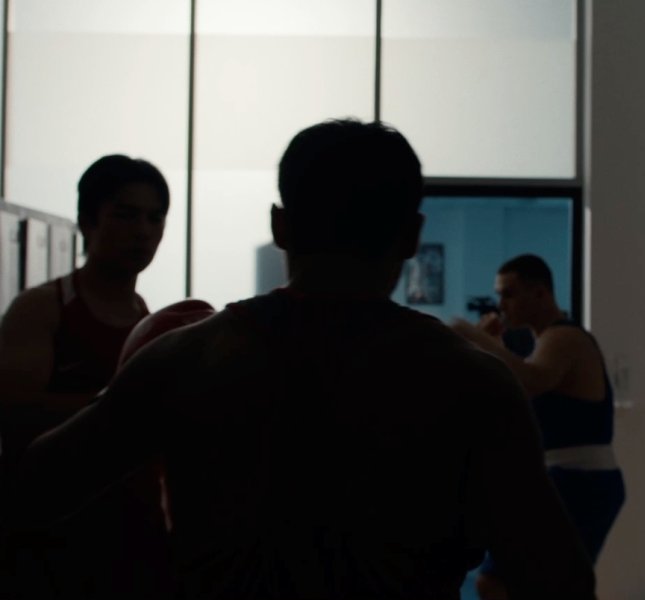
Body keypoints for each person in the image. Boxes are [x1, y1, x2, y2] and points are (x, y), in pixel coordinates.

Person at [5, 120, 597, 599]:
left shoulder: (187, 358)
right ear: (412, 237)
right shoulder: (474, 383)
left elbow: (35, 487)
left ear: (280, 226)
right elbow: (558, 579)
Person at [0, 154, 174, 599]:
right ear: (87, 221)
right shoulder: (42, 308)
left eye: (155, 218)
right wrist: (129, 408)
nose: (143, 231)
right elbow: (15, 417)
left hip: (134, 538)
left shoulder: (148, 321)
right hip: (52, 541)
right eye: (126, 215)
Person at [451, 254, 625, 600]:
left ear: (540, 294)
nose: (501, 305)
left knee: (499, 581)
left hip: (580, 481)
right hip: (571, 480)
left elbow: (532, 380)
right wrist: (492, 348)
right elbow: (516, 392)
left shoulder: (564, 337)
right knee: (545, 583)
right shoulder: (543, 342)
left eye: (509, 294)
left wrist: (468, 334)